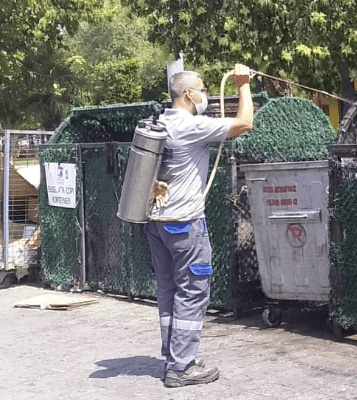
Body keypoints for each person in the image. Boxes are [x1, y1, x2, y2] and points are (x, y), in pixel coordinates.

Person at [145, 64, 254, 388]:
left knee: (169, 293)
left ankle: (175, 356)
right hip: (185, 225)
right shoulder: (189, 125)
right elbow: (244, 123)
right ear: (189, 95)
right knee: (193, 292)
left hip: (156, 224)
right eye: (203, 89)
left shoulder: (159, 122)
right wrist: (243, 84)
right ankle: (181, 367)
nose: (206, 94)